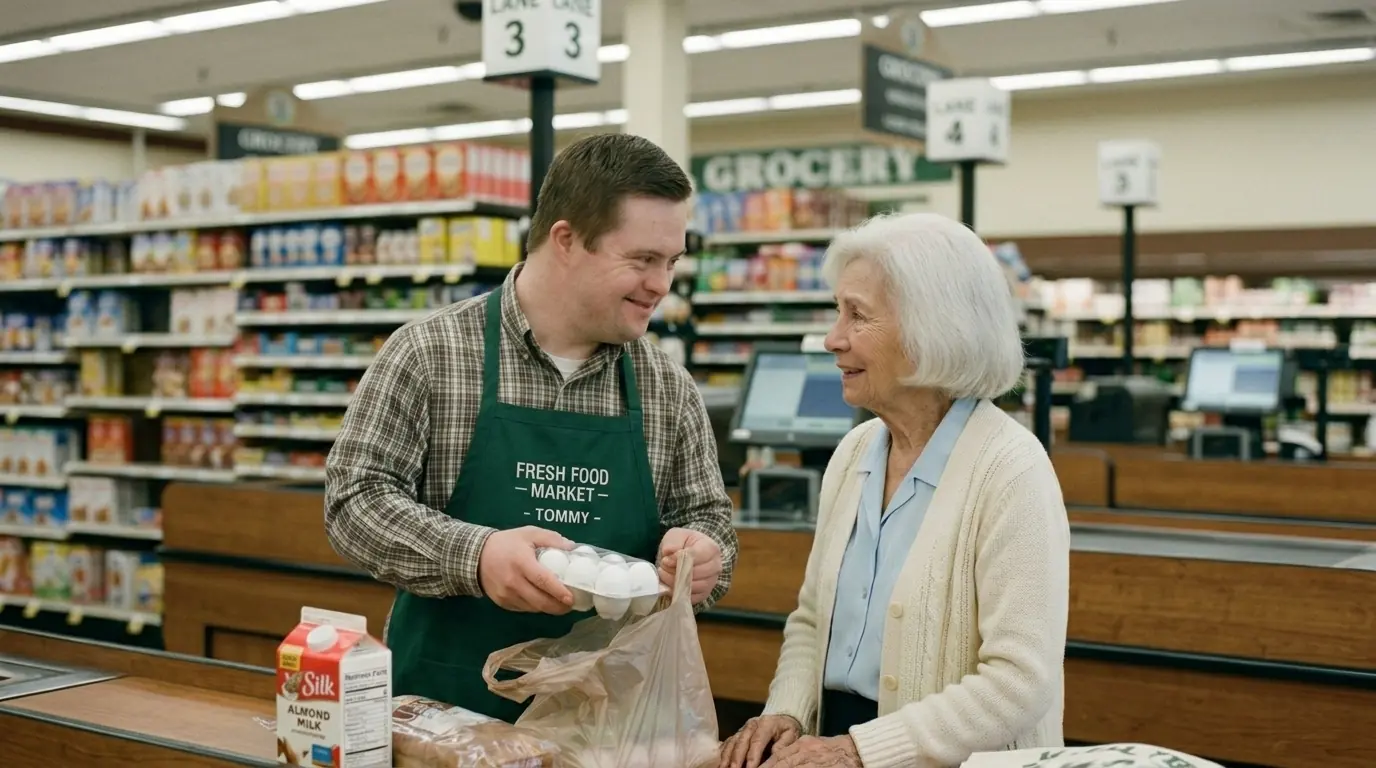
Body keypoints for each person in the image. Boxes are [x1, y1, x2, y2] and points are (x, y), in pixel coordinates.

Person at [324, 133, 739, 723]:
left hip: (607, 728)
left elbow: (710, 521)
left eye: (672, 262)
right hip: (447, 718)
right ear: (565, 240)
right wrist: (476, 554)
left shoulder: (667, 389)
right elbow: (352, 502)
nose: (662, 284)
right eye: (642, 259)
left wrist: (703, 557)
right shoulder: (430, 354)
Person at [719, 212, 1070, 768]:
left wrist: (860, 751)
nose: (833, 339)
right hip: (833, 742)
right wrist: (786, 712)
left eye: (857, 315)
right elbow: (813, 618)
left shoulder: (1011, 469)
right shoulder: (855, 453)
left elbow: (1018, 680)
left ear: (935, 328)